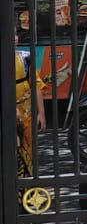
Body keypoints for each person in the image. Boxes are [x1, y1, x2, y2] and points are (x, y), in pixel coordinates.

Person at [14, 32, 44, 177]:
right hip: (9, 112)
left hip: (26, 112)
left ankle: (28, 182)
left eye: (15, 34)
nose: (14, 38)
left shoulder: (25, 57)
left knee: (28, 149)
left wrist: (41, 113)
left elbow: (36, 86)